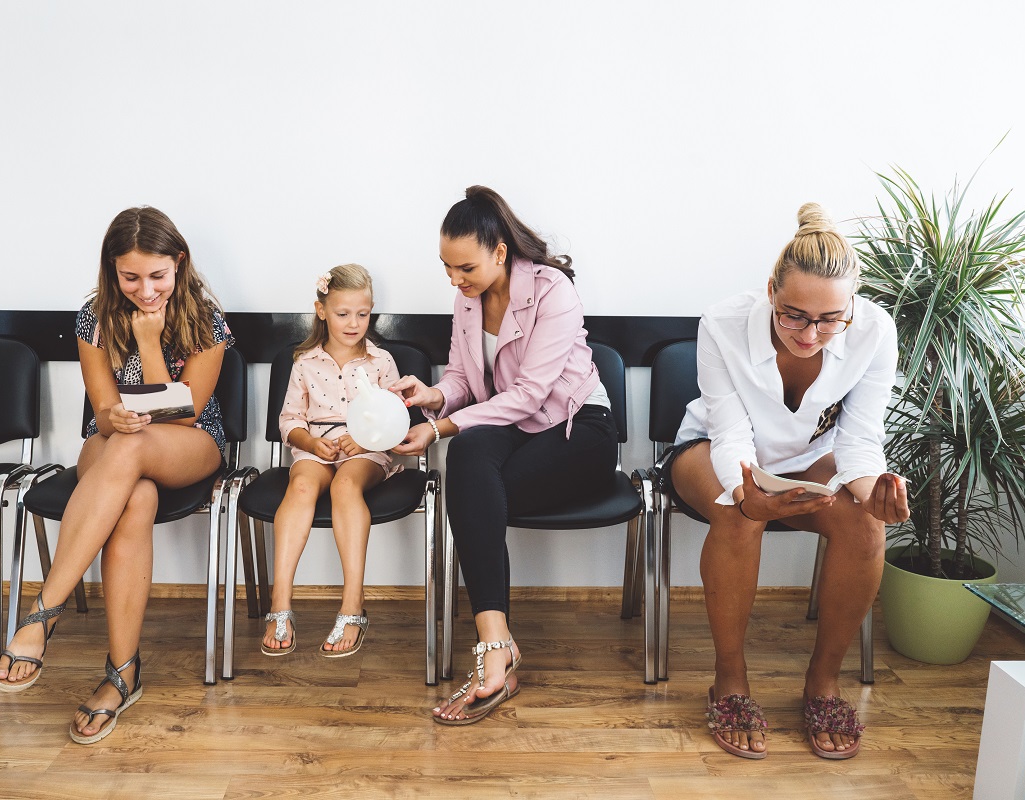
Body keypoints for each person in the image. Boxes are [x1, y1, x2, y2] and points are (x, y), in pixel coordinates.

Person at [662, 203, 909, 760]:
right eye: (794, 315)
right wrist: (750, 494)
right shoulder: (723, 322)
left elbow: (859, 441)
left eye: (830, 320)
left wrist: (874, 492)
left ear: (853, 304)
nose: (811, 334)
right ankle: (729, 677)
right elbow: (729, 432)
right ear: (772, 290)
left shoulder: (875, 330)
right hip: (711, 447)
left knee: (867, 527)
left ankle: (823, 681)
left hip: (813, 455)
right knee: (735, 512)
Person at [0, 206, 233, 745]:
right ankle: (122, 675)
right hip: (113, 445)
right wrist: (113, 416)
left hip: (189, 444)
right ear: (111, 270)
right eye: (130, 277)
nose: (145, 290)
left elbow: (183, 413)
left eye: (157, 276)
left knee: (137, 444)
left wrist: (149, 343)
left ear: (180, 264)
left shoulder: (207, 319)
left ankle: (43, 613)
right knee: (136, 492)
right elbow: (101, 409)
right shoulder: (93, 316)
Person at [391, 186, 618, 725]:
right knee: (468, 461)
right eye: (446, 267)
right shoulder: (467, 299)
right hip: (512, 424)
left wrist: (438, 428)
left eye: (464, 267)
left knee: (472, 491)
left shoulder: (552, 290)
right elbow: (464, 380)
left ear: (500, 252)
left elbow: (532, 395)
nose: (455, 280)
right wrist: (430, 396)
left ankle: (496, 657)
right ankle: (498, 643)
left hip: (577, 428)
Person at [260, 264, 401, 658]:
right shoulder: (304, 362)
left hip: (365, 448)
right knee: (302, 483)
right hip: (316, 445)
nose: (354, 323)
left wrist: (363, 439)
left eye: (363, 313)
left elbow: (395, 420)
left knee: (345, 484)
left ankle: (352, 605)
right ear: (322, 311)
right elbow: (290, 419)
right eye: (343, 314)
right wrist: (311, 442)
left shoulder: (381, 362)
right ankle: (280, 602)